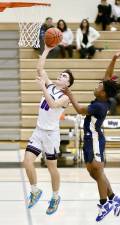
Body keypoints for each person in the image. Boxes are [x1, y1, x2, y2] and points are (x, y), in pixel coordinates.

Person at [63, 50, 120, 222]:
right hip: (90, 138)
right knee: (93, 172)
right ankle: (113, 198)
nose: (97, 86)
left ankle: (104, 204)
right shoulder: (102, 98)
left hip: (95, 138)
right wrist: (113, 59)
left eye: (99, 86)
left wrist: (70, 95)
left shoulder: (99, 106)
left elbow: (81, 110)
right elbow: (107, 76)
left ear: (103, 93)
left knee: (98, 168)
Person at [23, 45, 74, 214]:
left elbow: (52, 105)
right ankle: (35, 191)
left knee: (52, 167)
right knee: (27, 161)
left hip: (51, 135)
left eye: (64, 76)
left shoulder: (65, 98)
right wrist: (46, 49)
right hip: (38, 131)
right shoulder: (51, 85)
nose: (61, 76)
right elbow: (39, 68)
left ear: (67, 83)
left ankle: (55, 196)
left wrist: (42, 87)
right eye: (61, 74)